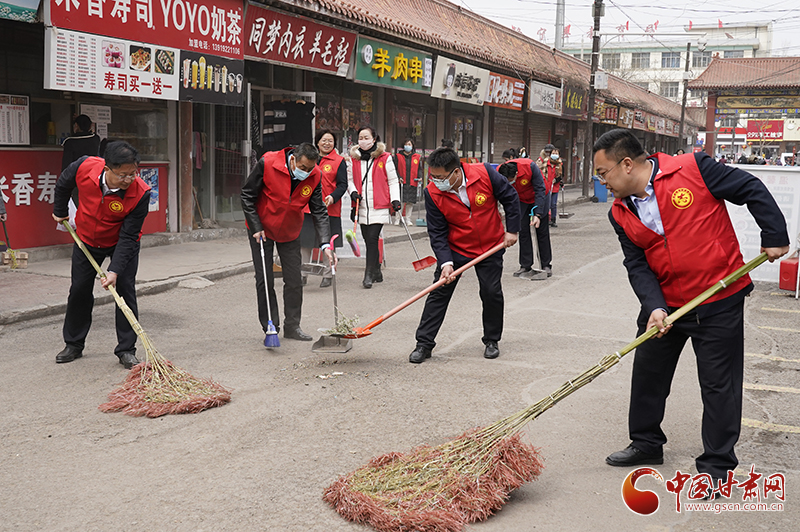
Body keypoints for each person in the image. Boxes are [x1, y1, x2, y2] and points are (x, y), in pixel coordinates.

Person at [593, 129, 789, 490]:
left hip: (717, 298)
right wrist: (652, 306)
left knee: (718, 384)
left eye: (603, 173)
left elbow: (751, 189)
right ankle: (646, 443)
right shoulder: (619, 213)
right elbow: (636, 264)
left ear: (626, 164)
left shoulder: (693, 168)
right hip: (665, 305)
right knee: (648, 375)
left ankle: (716, 465)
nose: (600, 180)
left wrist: (773, 234)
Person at [408, 147, 520, 364]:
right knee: (439, 291)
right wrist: (445, 262)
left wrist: (512, 230)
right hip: (457, 247)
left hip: (490, 245)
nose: (436, 181)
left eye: (440, 177)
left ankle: (491, 340)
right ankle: (424, 344)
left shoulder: (486, 173)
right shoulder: (432, 192)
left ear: (456, 172)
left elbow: (510, 197)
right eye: (433, 176)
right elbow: (437, 231)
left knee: (491, 292)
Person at [52, 141, 151, 369]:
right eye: (123, 175)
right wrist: (60, 211)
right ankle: (74, 344)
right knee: (79, 290)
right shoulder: (84, 167)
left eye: (133, 173)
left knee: (124, 292)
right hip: (86, 239)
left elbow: (129, 236)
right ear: (107, 169)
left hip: (120, 243)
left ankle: (126, 349)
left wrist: (114, 271)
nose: (129, 180)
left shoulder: (141, 193)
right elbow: (63, 184)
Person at [241, 142, 334, 342]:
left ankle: (293, 326)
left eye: (310, 169)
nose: (306, 173)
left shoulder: (315, 175)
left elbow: (319, 210)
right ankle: (270, 325)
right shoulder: (268, 163)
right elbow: (247, 195)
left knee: (294, 280)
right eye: (303, 168)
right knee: (264, 279)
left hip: (290, 230)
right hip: (261, 229)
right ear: (293, 159)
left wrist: (325, 244)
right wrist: (256, 226)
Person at [347, 127, 401, 289]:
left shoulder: (385, 158)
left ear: (374, 139)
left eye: (366, 137)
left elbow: (392, 180)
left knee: (372, 239)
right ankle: (377, 270)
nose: (363, 140)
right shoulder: (353, 159)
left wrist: (396, 199)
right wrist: (353, 192)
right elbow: (349, 180)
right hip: (361, 206)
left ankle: (368, 273)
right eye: (360, 137)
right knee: (368, 239)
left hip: (379, 205)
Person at [299, 130, 348, 288]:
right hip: (307, 208)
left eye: (330, 141)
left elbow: (342, 185)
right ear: (317, 142)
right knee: (305, 243)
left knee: (329, 243)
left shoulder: (339, 161)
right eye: (324, 140)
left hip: (330, 209)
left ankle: (328, 274)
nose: (327, 143)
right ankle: (302, 274)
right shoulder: (309, 159)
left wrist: (333, 197)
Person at [497, 156, 546, 279]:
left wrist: (537, 214)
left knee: (541, 230)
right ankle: (525, 265)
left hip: (538, 196)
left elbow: (540, 189)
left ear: (517, 174)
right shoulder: (499, 171)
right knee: (523, 230)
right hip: (520, 200)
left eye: (511, 180)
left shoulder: (530, 167)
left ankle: (546, 265)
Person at [393, 138, 424, 226]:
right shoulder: (398, 156)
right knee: (401, 201)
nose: (408, 146)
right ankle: (397, 218)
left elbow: (419, 169)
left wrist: (420, 177)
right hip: (402, 182)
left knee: (410, 202)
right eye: (406, 144)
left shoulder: (417, 157)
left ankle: (408, 219)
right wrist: (398, 177)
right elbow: (394, 169)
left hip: (412, 182)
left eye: (410, 144)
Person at [548, 148, 563, 227]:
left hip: (555, 187)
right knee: (547, 204)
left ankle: (553, 219)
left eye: (556, 153)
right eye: (553, 153)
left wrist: (557, 180)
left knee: (553, 204)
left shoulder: (560, 165)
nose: (554, 154)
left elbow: (561, 176)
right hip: (547, 186)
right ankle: (547, 219)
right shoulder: (547, 163)